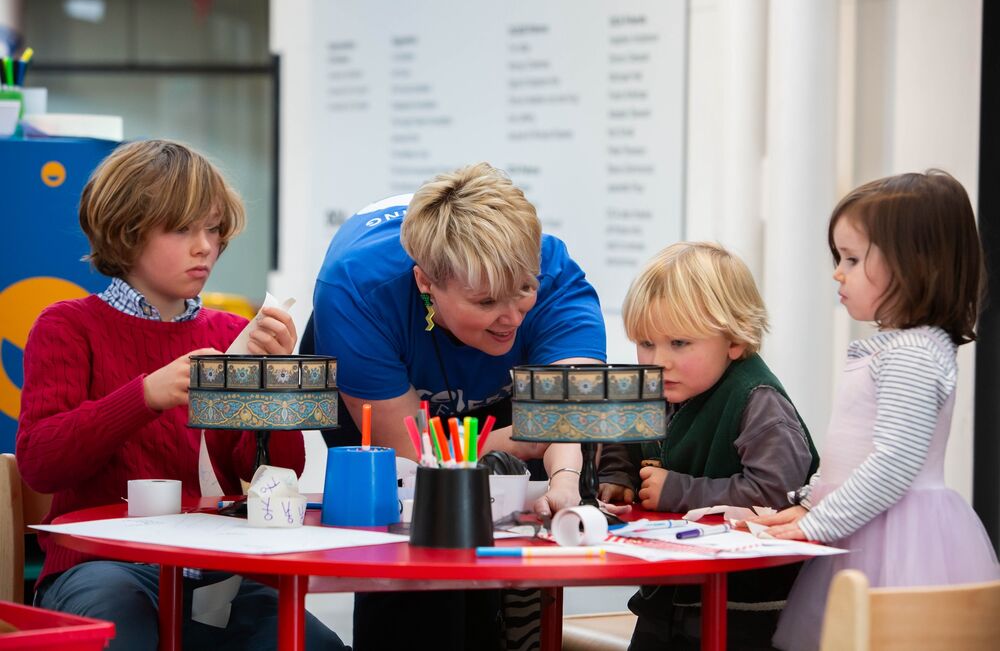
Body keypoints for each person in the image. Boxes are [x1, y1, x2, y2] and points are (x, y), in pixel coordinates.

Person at [16, 140, 346, 651]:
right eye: (182, 229)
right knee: (118, 622)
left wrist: (277, 385)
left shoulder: (235, 332)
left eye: (214, 229)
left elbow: (277, 475)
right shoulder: (67, 327)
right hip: (104, 567)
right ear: (125, 232)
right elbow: (40, 463)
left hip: (220, 576)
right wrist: (143, 396)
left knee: (314, 644)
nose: (205, 247)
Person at [313, 162, 607, 650]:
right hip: (389, 412)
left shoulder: (555, 275)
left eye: (523, 290)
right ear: (427, 282)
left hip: (498, 410)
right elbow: (411, 451)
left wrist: (564, 481)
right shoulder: (356, 290)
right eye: (487, 300)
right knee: (417, 568)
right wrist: (522, 437)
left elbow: (566, 416)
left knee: (499, 577)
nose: (511, 316)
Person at [755, 170, 1000, 651]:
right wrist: (807, 503)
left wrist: (814, 524)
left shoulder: (911, 353)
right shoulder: (899, 348)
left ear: (914, 266)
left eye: (851, 258)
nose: (837, 272)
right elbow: (855, 456)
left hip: (899, 537)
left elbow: (893, 464)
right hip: (868, 523)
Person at [597, 241, 820, 650]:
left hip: (746, 613)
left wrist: (678, 490)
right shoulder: (654, 385)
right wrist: (616, 475)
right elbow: (621, 440)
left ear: (734, 341)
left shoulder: (757, 401)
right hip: (666, 601)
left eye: (679, 344)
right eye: (646, 343)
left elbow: (777, 495)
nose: (658, 360)